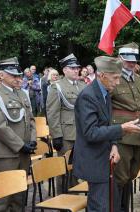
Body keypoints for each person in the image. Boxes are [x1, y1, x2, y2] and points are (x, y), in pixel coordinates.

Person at [73, 56, 140, 212]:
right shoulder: (88, 96)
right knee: (100, 207)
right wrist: (122, 129)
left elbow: (107, 124)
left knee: (112, 205)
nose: (118, 83)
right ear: (102, 75)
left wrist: (114, 146)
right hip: (94, 162)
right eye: (115, 78)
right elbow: (91, 133)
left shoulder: (104, 92)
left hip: (106, 159)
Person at [0, 57, 37, 211]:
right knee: (2, 198)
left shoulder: (23, 94)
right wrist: (21, 146)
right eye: (13, 75)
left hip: (24, 153)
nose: (18, 78)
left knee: (19, 197)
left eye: (19, 75)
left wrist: (33, 140)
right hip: (7, 154)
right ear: (1, 75)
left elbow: (31, 120)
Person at [111, 42, 140, 211]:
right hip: (122, 135)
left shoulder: (139, 80)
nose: (132, 63)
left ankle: (123, 207)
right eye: (128, 60)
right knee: (119, 177)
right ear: (120, 59)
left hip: (138, 133)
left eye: (134, 60)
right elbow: (106, 108)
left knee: (131, 175)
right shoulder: (113, 78)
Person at [46, 53, 86, 194]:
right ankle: (63, 200)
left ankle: (73, 198)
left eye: (77, 68)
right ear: (64, 70)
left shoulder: (82, 85)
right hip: (66, 135)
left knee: (77, 169)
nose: (76, 70)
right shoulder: (57, 87)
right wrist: (56, 135)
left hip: (82, 134)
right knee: (63, 170)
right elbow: (52, 113)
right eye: (72, 68)